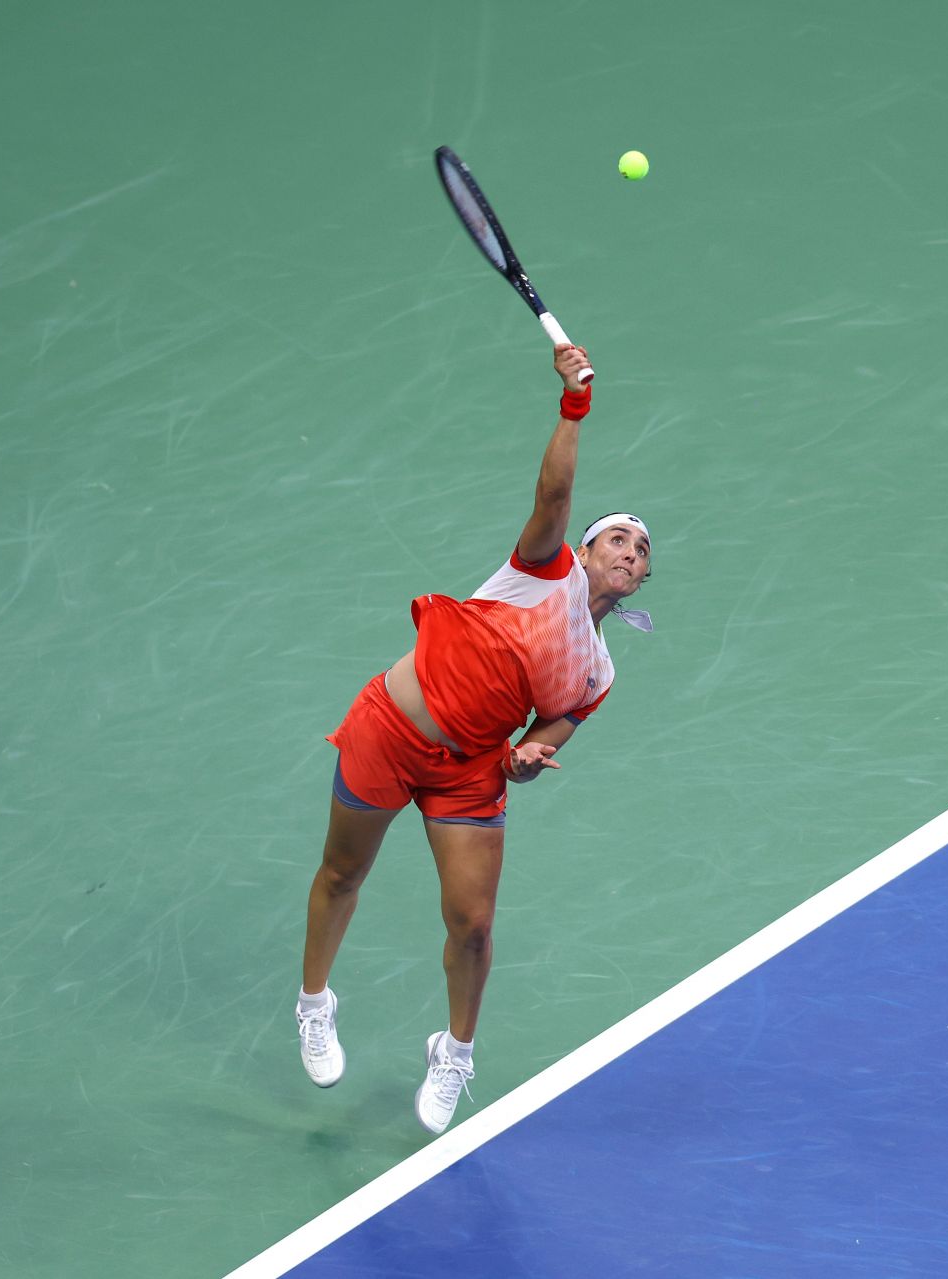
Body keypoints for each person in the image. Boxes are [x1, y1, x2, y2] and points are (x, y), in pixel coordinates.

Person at [294, 343, 653, 1135]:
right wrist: (573, 407)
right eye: (619, 537)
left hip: (467, 776)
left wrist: (525, 761)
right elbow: (555, 489)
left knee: (475, 925)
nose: (631, 551)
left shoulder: (597, 674)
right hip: (392, 727)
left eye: (642, 550)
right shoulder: (540, 572)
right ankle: (314, 1002)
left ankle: (454, 1052)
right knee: (342, 871)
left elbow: (539, 747)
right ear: (585, 549)